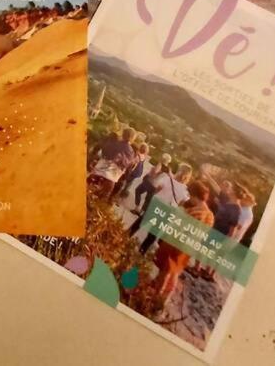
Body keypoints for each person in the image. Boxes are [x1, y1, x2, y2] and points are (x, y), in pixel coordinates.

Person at [150, 181, 215, 311]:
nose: (189, 197)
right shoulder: (209, 215)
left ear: (196, 195)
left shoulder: (197, 212)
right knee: (173, 272)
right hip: (186, 246)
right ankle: (161, 297)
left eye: (191, 195)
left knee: (167, 271)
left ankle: (157, 297)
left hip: (177, 244)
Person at [127, 163, 193, 253]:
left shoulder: (167, 179)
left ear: (178, 171)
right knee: (153, 233)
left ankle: (126, 236)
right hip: (168, 211)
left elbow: (157, 189)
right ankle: (141, 251)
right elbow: (181, 205)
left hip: (157, 204)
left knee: (140, 222)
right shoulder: (185, 191)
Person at [88, 127, 136, 200]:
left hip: (101, 169)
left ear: (123, 134)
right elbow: (128, 164)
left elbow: (104, 151)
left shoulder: (115, 143)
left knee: (88, 182)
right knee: (104, 194)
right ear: (132, 138)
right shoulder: (130, 151)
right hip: (113, 175)